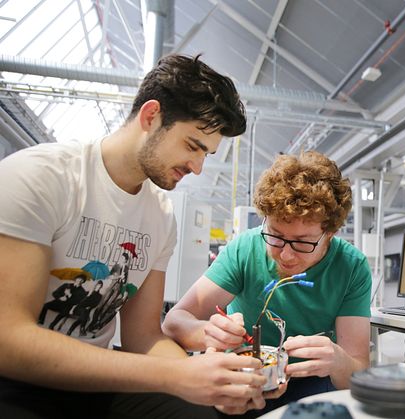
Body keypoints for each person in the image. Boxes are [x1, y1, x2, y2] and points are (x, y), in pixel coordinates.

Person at [0, 54, 277, 419]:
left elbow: (143, 337)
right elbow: (9, 338)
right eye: (193, 146)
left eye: (206, 154)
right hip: (17, 383)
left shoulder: (161, 215)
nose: (197, 167)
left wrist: (209, 381)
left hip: (101, 383)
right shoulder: (41, 178)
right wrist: (177, 374)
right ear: (150, 117)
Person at [162, 151, 372, 418]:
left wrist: (339, 361)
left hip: (310, 381)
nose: (285, 255)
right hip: (241, 375)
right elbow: (174, 322)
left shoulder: (351, 266)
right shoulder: (246, 248)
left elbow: (358, 374)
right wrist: (207, 332)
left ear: (331, 232)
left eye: (302, 242)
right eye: (275, 236)